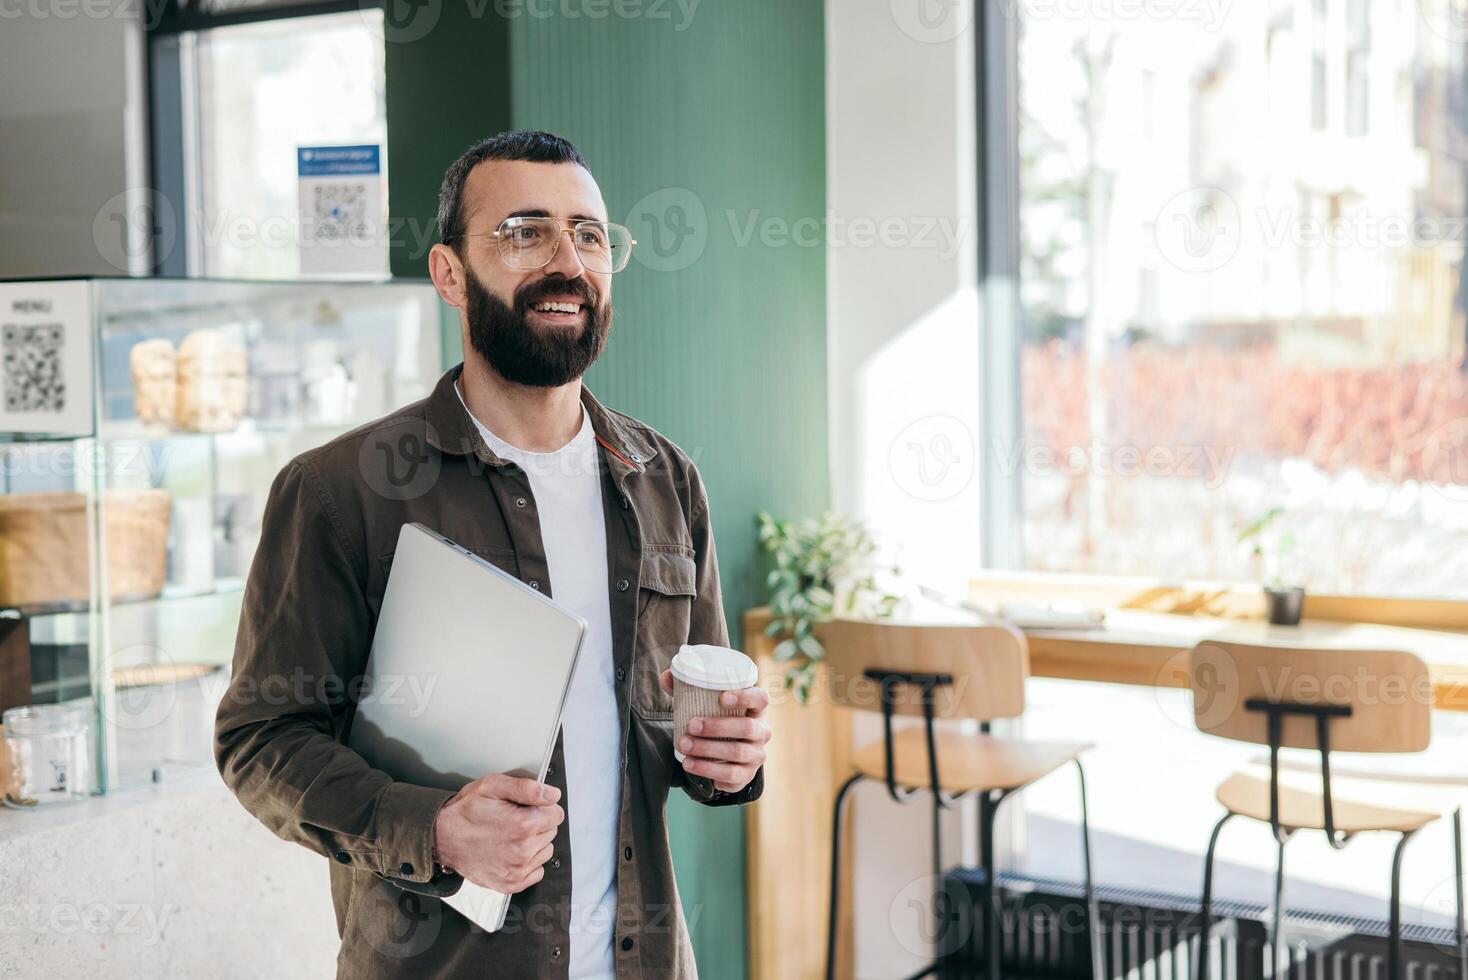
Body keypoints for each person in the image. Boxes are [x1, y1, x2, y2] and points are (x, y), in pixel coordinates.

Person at [215, 130, 770, 979]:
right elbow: (262, 740)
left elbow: (672, 732)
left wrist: (725, 759)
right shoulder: (341, 490)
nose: (567, 261)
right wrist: (430, 827)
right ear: (449, 274)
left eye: (589, 234)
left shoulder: (666, 479)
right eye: (524, 231)